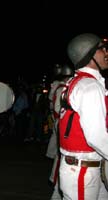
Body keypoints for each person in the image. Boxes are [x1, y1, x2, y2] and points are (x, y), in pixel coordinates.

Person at [59, 33, 108, 199]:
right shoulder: (89, 87)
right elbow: (96, 137)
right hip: (83, 172)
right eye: (102, 49)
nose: (106, 53)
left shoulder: (80, 82)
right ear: (89, 54)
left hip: (87, 169)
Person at [46, 64, 74, 200]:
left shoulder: (60, 87)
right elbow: (58, 107)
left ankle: (54, 178)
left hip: (60, 120)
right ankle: (54, 178)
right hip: (62, 121)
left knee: (59, 150)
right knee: (61, 152)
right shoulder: (61, 88)